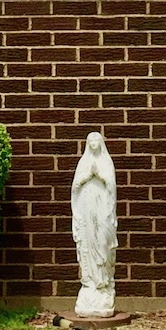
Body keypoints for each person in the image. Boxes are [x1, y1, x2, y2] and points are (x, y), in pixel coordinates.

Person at [71, 131, 118, 318]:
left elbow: (112, 187)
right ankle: (89, 284)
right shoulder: (83, 164)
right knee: (87, 246)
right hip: (86, 211)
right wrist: (85, 177)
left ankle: (104, 285)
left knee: (102, 245)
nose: (94, 143)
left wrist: (100, 175)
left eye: (97, 140)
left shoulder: (106, 163)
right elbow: (74, 188)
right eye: (90, 141)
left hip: (102, 212)